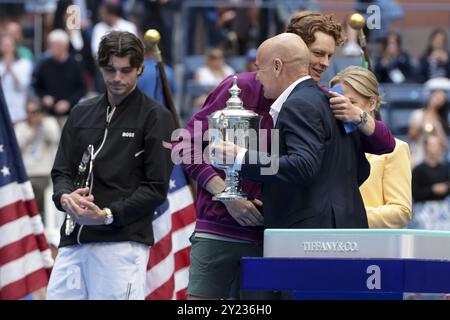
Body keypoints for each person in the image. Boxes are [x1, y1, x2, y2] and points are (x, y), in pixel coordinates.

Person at [176, 10, 395, 300]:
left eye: (330, 55)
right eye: (318, 53)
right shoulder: (238, 87)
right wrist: (225, 195)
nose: (323, 63)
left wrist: (361, 117)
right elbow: (184, 144)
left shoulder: (319, 99)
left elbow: (383, 146)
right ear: (291, 50)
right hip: (222, 228)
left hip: (278, 236)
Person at [47, 31, 175, 300]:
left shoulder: (156, 117)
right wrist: (64, 196)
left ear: (140, 68)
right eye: (110, 69)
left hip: (121, 245)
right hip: (72, 242)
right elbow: (61, 172)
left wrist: (106, 215)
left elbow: (155, 189)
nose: (117, 78)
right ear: (100, 66)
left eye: (125, 70)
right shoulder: (81, 112)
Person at [212, 33, 369, 229]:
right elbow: (362, 169)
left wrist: (241, 157)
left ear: (277, 66)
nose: (258, 77)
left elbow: (303, 166)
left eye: (260, 68)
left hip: (312, 237)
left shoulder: (299, 104)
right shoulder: (332, 100)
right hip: (347, 227)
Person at [330, 66, 412, 228]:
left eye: (351, 102)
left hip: (370, 244)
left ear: (372, 103)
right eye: (336, 102)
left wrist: (348, 216)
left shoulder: (397, 148)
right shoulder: (327, 143)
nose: (343, 109)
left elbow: (401, 211)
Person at [14, 97, 61, 219]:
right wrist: (32, 129)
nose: (32, 115)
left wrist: (42, 123)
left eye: (35, 111)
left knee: (43, 197)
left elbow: (55, 138)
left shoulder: (49, 122)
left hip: (44, 172)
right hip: (26, 173)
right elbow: (17, 146)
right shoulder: (21, 126)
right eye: (29, 112)